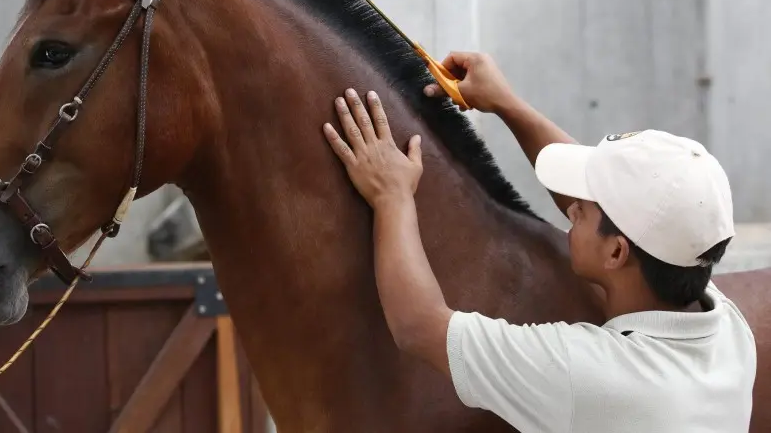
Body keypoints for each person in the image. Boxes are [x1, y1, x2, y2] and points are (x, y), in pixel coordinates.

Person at [321, 52, 756, 433]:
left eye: (585, 207)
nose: (571, 209)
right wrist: (506, 104)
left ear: (617, 252)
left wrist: (391, 196)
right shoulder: (726, 330)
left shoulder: (589, 375)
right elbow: (633, 221)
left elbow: (419, 327)